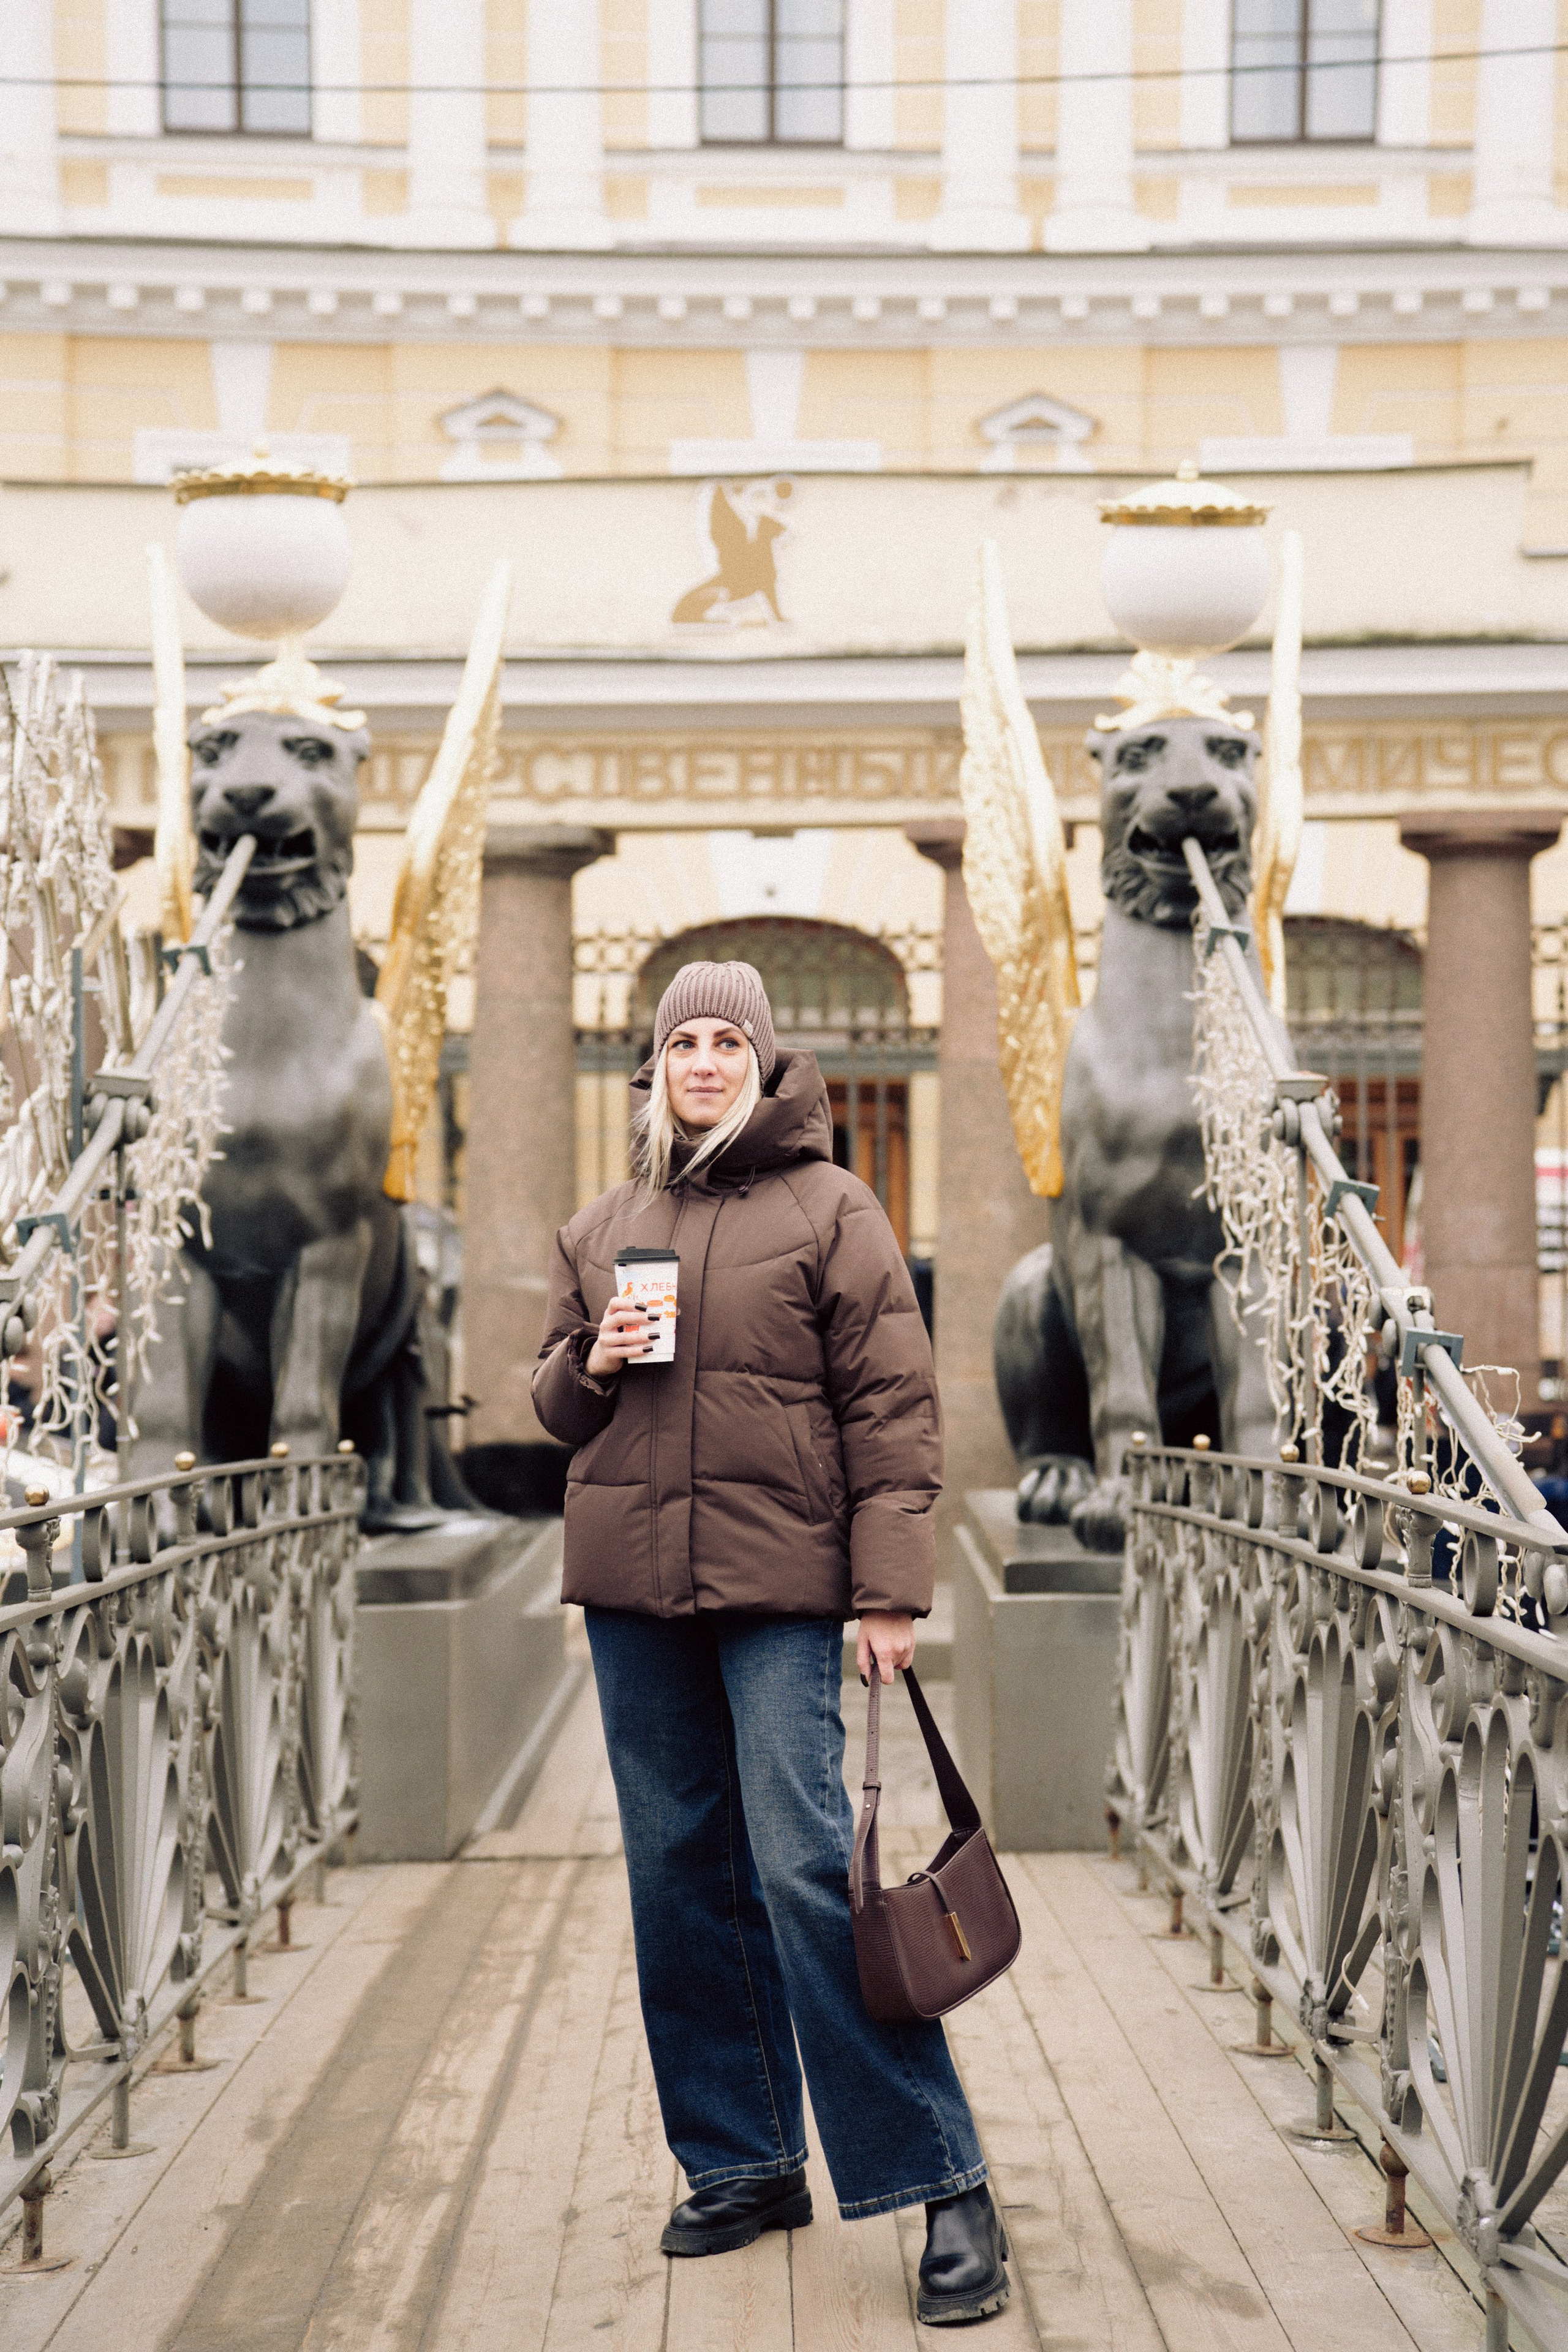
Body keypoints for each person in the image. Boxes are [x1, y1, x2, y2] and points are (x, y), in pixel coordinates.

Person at [533, 960, 1010, 2327]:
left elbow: (892, 1411)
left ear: (761, 1059)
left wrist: (888, 1593)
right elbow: (556, 1407)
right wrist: (597, 1362)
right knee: (677, 1873)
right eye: (679, 1040)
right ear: (654, 1069)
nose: (700, 1059)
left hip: (783, 1591)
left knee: (807, 1872)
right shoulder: (604, 1221)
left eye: (724, 1039)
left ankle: (941, 2176)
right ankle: (741, 2161)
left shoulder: (830, 1209)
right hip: (634, 1591)